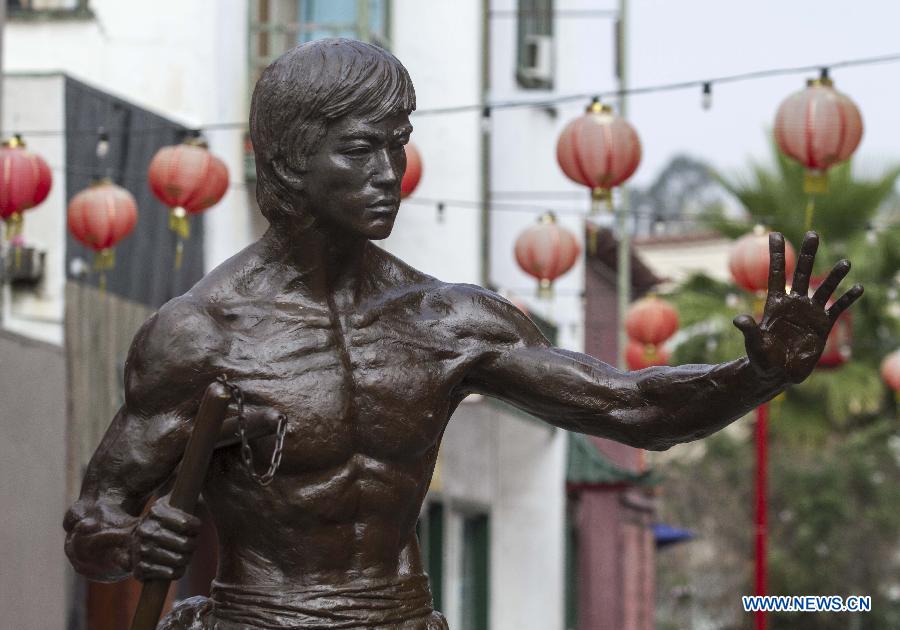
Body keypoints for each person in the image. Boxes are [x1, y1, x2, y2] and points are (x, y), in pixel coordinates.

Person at [63, 38, 862, 629]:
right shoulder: (202, 333)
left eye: (397, 144)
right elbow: (97, 517)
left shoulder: (445, 320)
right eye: (359, 149)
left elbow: (632, 410)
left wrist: (754, 375)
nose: (390, 171)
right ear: (288, 164)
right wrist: (129, 545)